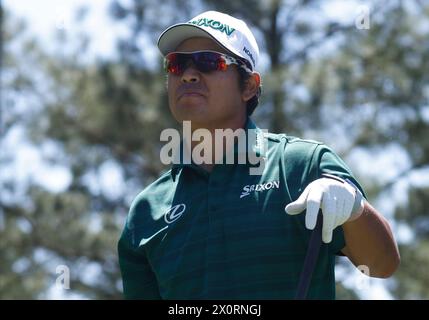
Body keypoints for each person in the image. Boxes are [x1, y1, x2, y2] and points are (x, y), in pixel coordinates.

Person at [117, 10, 400, 299]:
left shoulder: (303, 166)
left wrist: (355, 211)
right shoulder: (145, 211)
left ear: (249, 86)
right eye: (177, 64)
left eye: (208, 61)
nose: (189, 74)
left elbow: (381, 264)